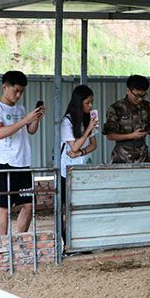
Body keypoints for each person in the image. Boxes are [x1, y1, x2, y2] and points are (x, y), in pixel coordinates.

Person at [0, 70, 44, 236]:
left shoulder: (20, 108)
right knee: (4, 207)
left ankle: (20, 240)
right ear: (5, 87)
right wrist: (25, 120)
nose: (18, 95)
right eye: (15, 91)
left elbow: (30, 130)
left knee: (28, 204)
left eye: (21, 92)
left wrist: (36, 118)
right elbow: (0, 133)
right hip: (3, 163)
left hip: (23, 162)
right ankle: (3, 244)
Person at [60, 85, 99, 243]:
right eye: (87, 102)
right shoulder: (67, 121)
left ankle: (81, 238)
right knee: (67, 206)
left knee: (82, 204)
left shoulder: (87, 119)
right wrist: (88, 129)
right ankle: (66, 240)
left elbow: (93, 145)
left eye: (91, 102)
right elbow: (73, 146)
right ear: (78, 102)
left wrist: (81, 152)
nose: (90, 106)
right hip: (68, 171)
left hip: (84, 167)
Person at [102, 74, 150, 163]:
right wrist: (131, 136)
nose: (140, 99)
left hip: (143, 156)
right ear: (128, 91)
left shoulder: (147, 106)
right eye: (137, 95)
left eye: (143, 95)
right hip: (121, 156)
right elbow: (110, 136)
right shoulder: (116, 108)